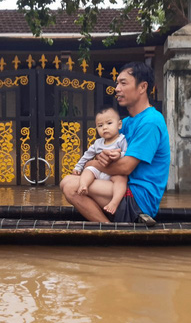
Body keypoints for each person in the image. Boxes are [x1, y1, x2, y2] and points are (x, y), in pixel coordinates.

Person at [60, 62, 170, 225]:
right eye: (117, 83)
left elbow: (125, 167)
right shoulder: (124, 123)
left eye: (123, 83)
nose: (117, 88)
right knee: (69, 182)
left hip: (138, 199)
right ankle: (110, 226)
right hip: (119, 188)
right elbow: (101, 152)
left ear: (142, 87)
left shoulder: (150, 122)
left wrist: (92, 163)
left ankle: (108, 229)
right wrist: (100, 159)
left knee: (69, 185)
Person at [72, 107, 128, 215]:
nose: (105, 128)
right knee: (89, 169)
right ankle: (84, 185)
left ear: (119, 124)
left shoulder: (121, 140)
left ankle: (114, 202)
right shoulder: (98, 143)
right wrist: (78, 167)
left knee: (121, 179)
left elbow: (127, 153)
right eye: (100, 126)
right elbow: (86, 156)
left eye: (109, 123)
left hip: (114, 173)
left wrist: (119, 155)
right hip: (100, 171)